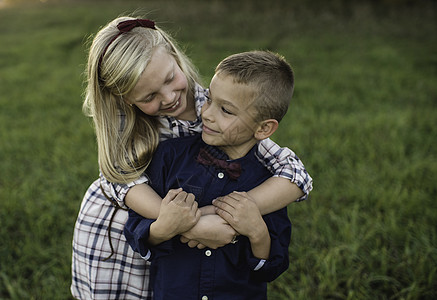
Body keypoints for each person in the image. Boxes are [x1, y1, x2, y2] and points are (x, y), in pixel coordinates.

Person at [71, 16, 312, 300]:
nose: (170, 96)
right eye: (149, 95)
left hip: (179, 248)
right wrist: (191, 223)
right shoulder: (126, 127)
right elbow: (121, 181)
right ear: (125, 98)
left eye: (171, 78)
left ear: (174, 56)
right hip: (116, 238)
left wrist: (231, 214)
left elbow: (296, 175)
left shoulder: (210, 109)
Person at [124, 50, 298, 299]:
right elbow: (134, 228)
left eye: (226, 110)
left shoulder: (269, 182)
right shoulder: (170, 156)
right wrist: (164, 226)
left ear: (263, 128)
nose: (206, 113)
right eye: (208, 100)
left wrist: (256, 231)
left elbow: (272, 267)